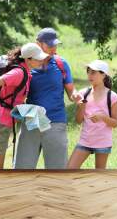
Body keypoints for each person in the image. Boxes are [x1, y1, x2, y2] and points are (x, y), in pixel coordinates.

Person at [14, 28, 81, 169]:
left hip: (55, 122)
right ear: (38, 44)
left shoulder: (61, 64)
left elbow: (70, 91)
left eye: (55, 45)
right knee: (22, 169)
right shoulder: (27, 65)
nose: (54, 48)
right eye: (50, 45)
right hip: (32, 120)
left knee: (56, 171)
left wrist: (75, 95)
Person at [0, 43, 48, 169]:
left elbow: (15, 101)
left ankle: (40, 147)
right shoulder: (18, 73)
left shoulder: (27, 72)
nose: (42, 60)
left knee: (41, 117)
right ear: (28, 59)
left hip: (6, 118)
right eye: (38, 58)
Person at [67, 60, 117, 169]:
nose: (90, 75)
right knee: (70, 170)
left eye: (93, 72)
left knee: (99, 175)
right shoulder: (83, 93)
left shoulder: (112, 96)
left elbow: (115, 123)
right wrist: (81, 104)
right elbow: (78, 121)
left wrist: (102, 117)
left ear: (103, 74)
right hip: (85, 141)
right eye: (88, 72)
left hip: (103, 143)